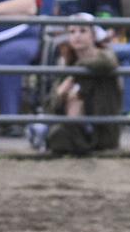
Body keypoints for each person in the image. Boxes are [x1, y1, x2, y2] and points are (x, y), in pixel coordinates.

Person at [41, 14, 122, 152]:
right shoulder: (67, 63)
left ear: (93, 35)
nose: (77, 36)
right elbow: (48, 107)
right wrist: (61, 94)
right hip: (74, 125)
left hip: (102, 128)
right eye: (72, 32)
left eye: (83, 31)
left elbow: (108, 62)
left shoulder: (105, 55)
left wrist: (78, 69)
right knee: (57, 135)